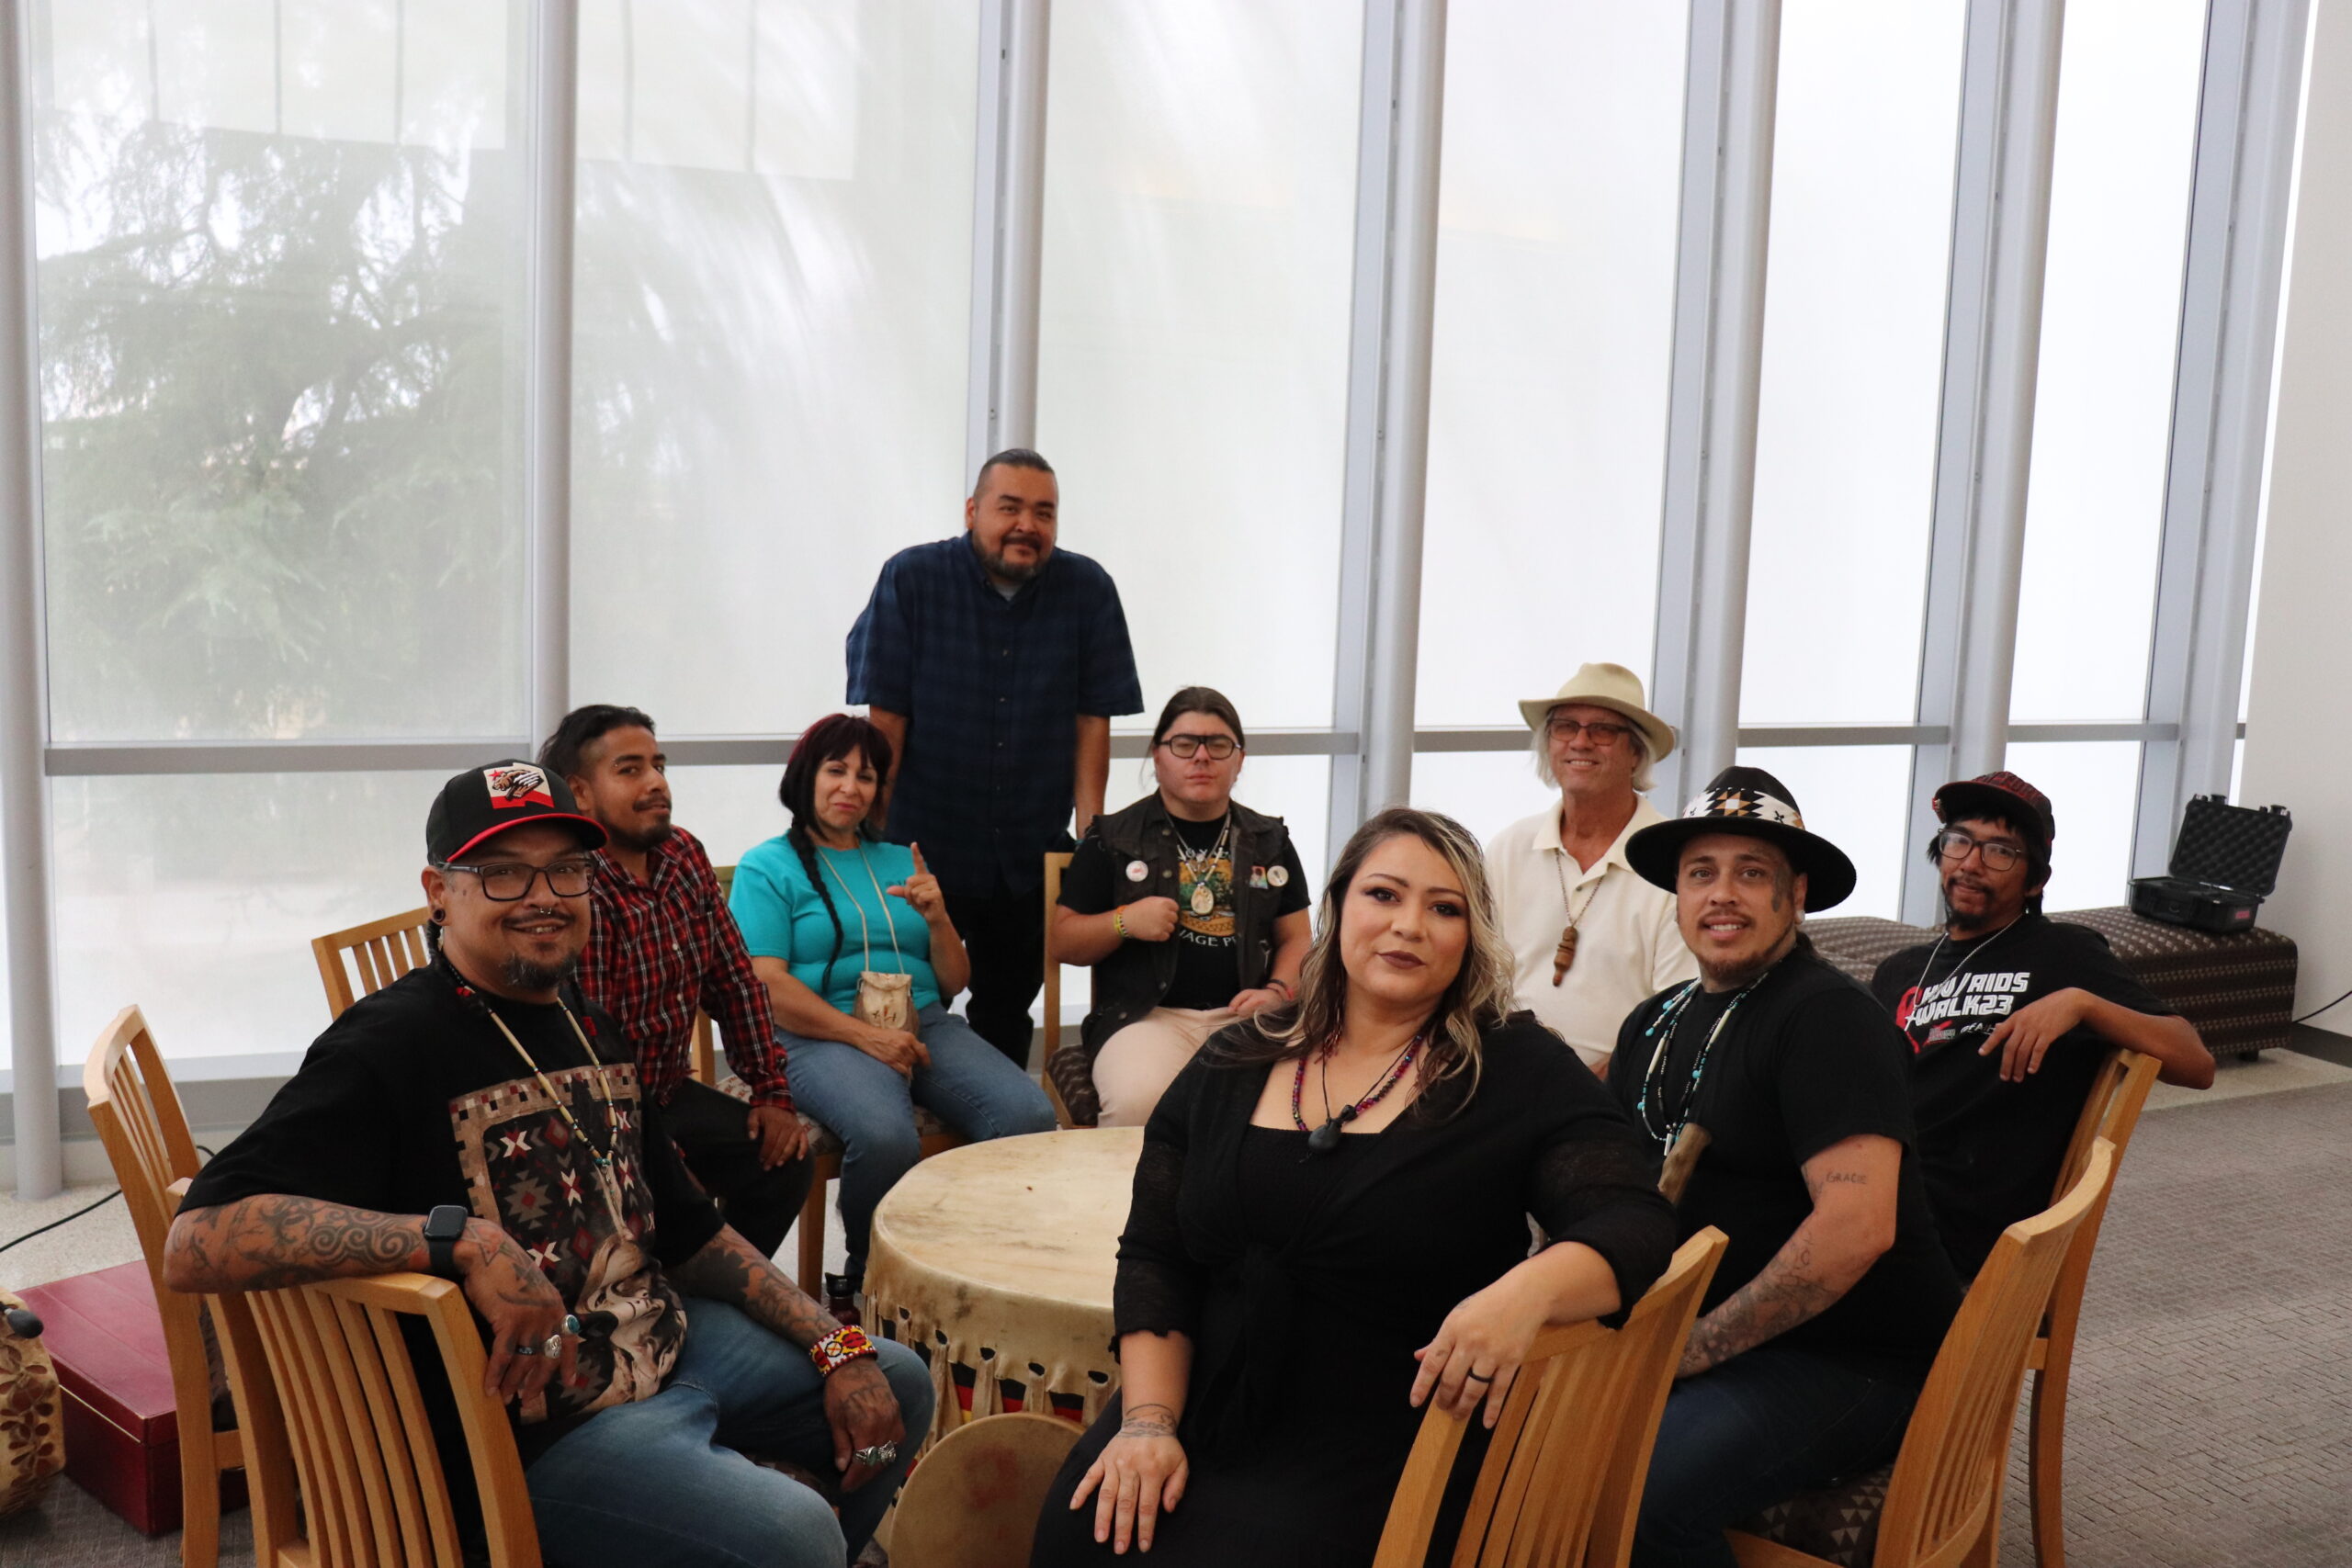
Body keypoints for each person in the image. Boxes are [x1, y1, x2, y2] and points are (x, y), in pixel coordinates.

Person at [161, 761, 932, 1568]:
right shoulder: (387, 1045)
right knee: (789, 1531)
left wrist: (835, 1343)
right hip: (531, 1435)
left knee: (899, 1382)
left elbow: (694, 1234)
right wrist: (459, 1241)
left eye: (566, 868)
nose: (543, 895)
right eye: (501, 873)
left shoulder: (586, 1022)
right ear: (438, 890)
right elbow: (196, 1239)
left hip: (667, 1348)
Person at [1031, 807, 1677, 1567]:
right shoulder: (1234, 1060)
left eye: (1445, 908)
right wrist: (1146, 1424)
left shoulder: (1514, 1069)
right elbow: (1154, 1256)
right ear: (1338, 910)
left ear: (1472, 937)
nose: (1409, 925)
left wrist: (1524, 1293)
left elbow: (1633, 1219)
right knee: (1079, 1531)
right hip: (1200, 1409)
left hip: (1391, 1442)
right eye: (1384, 895)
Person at [1608, 766, 1964, 1568]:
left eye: (1752, 873)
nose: (1721, 894)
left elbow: (1855, 1229)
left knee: (1644, 1485)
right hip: (1714, 1340)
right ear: (1677, 893)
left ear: (1795, 893)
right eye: (1702, 872)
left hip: (1857, 1358)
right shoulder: (1653, 1021)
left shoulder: (1827, 1017)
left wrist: (1684, 1353)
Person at [730, 714, 1059, 1321]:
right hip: (814, 1030)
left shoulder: (899, 860)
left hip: (922, 1019)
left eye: (866, 775)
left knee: (1029, 1114)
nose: (850, 786)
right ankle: (864, 1279)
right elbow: (764, 983)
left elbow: (956, 982)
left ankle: (973, 1264)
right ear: (807, 776)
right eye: (836, 769)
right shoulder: (766, 865)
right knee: (884, 1135)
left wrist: (937, 918)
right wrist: (866, 1036)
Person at [846, 447, 1145, 1067]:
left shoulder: (1087, 590)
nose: (1026, 525)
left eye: (1044, 512)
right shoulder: (913, 579)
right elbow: (887, 719)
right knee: (914, 1007)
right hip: (924, 846)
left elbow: (1093, 720)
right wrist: (872, 833)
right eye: (1009, 507)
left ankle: (993, 1145)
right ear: (972, 510)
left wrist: (1092, 837)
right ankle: (920, 1150)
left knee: (1006, 1019)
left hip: (1028, 853)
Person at [1870, 771, 2213, 1280]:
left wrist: (2084, 1004)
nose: (1971, 864)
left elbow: (2196, 1063)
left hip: (1956, 1231)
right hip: (1881, 1191)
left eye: (2000, 851)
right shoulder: (1899, 970)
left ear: (2035, 880)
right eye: (1959, 842)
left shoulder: (2063, 953)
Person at [543, 705, 814, 1262]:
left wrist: (771, 1091)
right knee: (661, 1200)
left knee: (784, 1159)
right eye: (630, 769)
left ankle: (716, 1295)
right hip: (593, 1116)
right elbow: (591, 1047)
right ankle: (665, 1298)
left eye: (658, 765)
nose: (656, 783)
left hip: (666, 1090)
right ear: (581, 792)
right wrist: (653, 1153)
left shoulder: (681, 853)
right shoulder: (573, 883)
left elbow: (734, 980)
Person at [1051, 687, 1313, 1126]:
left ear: (1240, 759)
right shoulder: (1112, 838)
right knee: (1139, 1103)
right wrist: (1123, 922)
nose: (1202, 757)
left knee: (1297, 1103)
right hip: (1144, 1019)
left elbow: (1298, 938)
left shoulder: (1270, 840)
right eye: (1184, 744)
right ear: (1157, 756)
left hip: (1249, 1019)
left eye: (1218, 744)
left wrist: (1278, 993)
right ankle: (1135, 1198)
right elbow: (1063, 940)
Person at [1488, 661, 1697, 1074]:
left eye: (1602, 731)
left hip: (1617, 1094)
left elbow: (1676, 1016)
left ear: (1636, 752)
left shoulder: (1676, 862)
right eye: (1565, 727)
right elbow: (1475, 981)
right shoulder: (1510, 848)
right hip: (1499, 1078)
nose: (1580, 742)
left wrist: (1590, 1089)